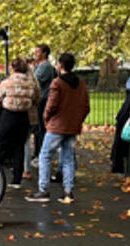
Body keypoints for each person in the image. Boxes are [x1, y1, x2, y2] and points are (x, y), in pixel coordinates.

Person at [36, 50, 90, 203]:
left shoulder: (57, 83)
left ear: (60, 65)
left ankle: (43, 189)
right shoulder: (81, 84)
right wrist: (78, 120)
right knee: (67, 158)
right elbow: (86, 107)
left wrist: (46, 119)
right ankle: (68, 191)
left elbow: (51, 105)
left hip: (57, 126)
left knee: (45, 155)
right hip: (73, 126)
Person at [0, 58, 38, 188]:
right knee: (19, 147)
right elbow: (36, 99)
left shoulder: (7, 83)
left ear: (13, 68)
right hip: (23, 116)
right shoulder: (31, 84)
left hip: (8, 115)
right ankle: (17, 179)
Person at [30, 43, 57, 169]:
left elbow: (34, 81)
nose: (36, 54)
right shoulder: (39, 66)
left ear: (44, 53)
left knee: (41, 129)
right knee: (37, 129)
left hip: (43, 100)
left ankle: (41, 154)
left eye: (38, 52)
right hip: (39, 100)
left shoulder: (45, 67)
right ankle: (37, 153)